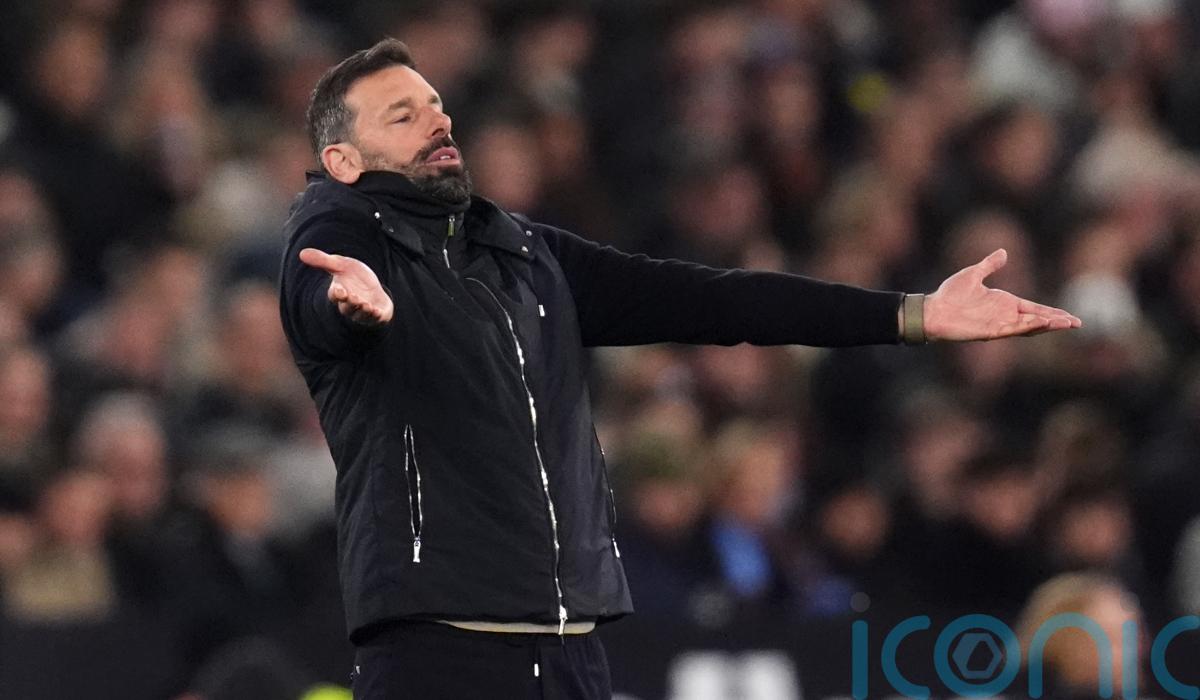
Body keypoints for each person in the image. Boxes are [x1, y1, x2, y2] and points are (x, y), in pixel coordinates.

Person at [278, 38, 1081, 700]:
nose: (438, 120)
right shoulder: (336, 243)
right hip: (437, 650)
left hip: (570, 647)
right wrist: (351, 308)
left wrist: (909, 315)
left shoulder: (527, 256)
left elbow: (716, 301)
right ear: (343, 159)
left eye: (436, 105)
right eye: (404, 114)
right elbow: (321, 299)